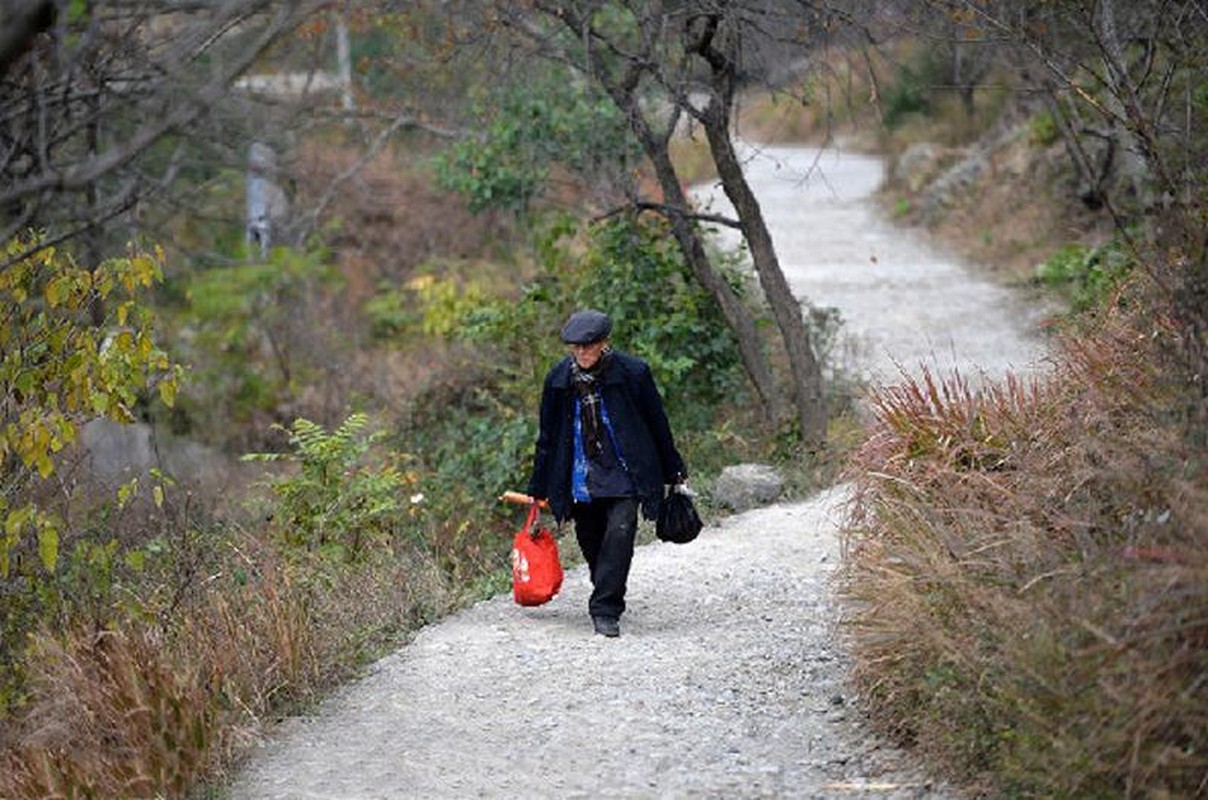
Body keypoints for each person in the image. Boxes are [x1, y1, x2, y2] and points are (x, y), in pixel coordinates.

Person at [526, 309, 688, 637]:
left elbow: (657, 424)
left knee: (621, 530)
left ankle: (605, 609)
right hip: (580, 473)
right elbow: (548, 436)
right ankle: (606, 586)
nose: (583, 353)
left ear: (604, 343)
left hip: (625, 468)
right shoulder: (558, 380)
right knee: (591, 540)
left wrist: (673, 468)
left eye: (589, 346)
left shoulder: (633, 373)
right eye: (576, 347)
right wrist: (538, 485)